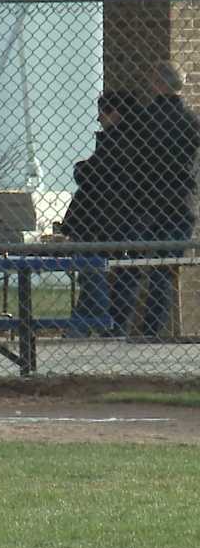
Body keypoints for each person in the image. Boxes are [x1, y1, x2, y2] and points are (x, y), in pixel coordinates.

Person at [115, 60, 200, 339]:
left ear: (157, 83)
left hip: (144, 203)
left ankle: (119, 327)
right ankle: (150, 331)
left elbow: (127, 163)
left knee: (132, 267)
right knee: (165, 269)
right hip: (179, 202)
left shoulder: (141, 120)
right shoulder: (191, 122)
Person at [61, 90, 138, 337]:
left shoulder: (117, 142)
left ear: (114, 113)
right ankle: (78, 331)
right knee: (94, 279)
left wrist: (80, 168)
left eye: (102, 114)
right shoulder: (132, 140)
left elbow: (92, 175)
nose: (99, 120)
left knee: (94, 279)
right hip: (109, 222)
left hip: (98, 222)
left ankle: (104, 328)